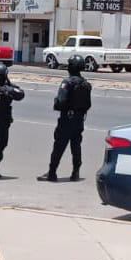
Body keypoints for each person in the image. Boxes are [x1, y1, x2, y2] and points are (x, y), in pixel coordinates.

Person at [39, 54, 92, 182]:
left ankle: (52, 173)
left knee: (59, 146)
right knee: (76, 146)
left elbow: (60, 102)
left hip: (66, 120)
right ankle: (76, 172)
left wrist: (56, 103)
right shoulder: (86, 84)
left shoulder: (67, 83)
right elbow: (88, 104)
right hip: (79, 120)